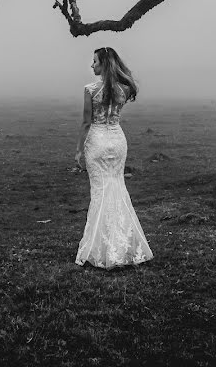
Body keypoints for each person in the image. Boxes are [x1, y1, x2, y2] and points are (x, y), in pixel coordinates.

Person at [73, 47, 153, 269]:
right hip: (117, 141)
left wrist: (79, 150)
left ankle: (101, 248)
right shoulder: (124, 90)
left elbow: (86, 123)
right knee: (117, 188)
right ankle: (123, 244)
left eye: (95, 61)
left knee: (99, 193)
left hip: (97, 141)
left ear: (103, 65)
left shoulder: (90, 89)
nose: (92, 65)